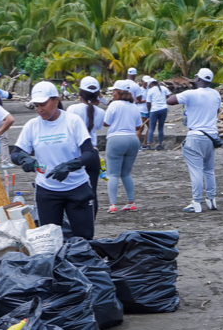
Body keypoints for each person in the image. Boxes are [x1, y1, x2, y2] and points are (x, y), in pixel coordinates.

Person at [12, 82, 96, 240]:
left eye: (43, 104)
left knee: (84, 239)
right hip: (47, 191)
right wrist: (24, 159)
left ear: (56, 100)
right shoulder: (32, 126)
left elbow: (89, 153)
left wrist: (70, 166)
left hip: (77, 188)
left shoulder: (72, 121)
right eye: (36, 106)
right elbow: (15, 154)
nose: (39, 110)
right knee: (49, 240)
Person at [167, 68, 221, 213]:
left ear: (198, 79)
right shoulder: (216, 94)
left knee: (196, 171)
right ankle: (212, 200)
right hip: (211, 136)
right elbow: (216, 112)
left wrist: (168, 92)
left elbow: (170, 101)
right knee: (209, 170)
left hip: (195, 136)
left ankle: (196, 202)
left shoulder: (191, 94)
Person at [67, 76, 105, 217]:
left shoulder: (72, 109)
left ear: (80, 92)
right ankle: (91, 222)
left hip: (76, 154)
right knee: (92, 191)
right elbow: (99, 126)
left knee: (73, 189)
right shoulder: (100, 112)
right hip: (93, 153)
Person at [103, 80, 143, 213]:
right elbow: (138, 126)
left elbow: (106, 123)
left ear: (118, 92)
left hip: (116, 139)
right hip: (132, 139)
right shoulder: (134, 106)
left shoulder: (114, 105)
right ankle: (131, 202)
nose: (112, 93)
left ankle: (113, 204)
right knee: (126, 173)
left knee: (113, 174)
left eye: (114, 91)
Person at [145, 79, 168, 150]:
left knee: (151, 128)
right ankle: (160, 144)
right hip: (164, 109)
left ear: (151, 84)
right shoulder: (163, 88)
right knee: (160, 127)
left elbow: (148, 103)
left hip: (154, 110)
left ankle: (148, 144)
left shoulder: (150, 90)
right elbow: (170, 95)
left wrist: (149, 111)